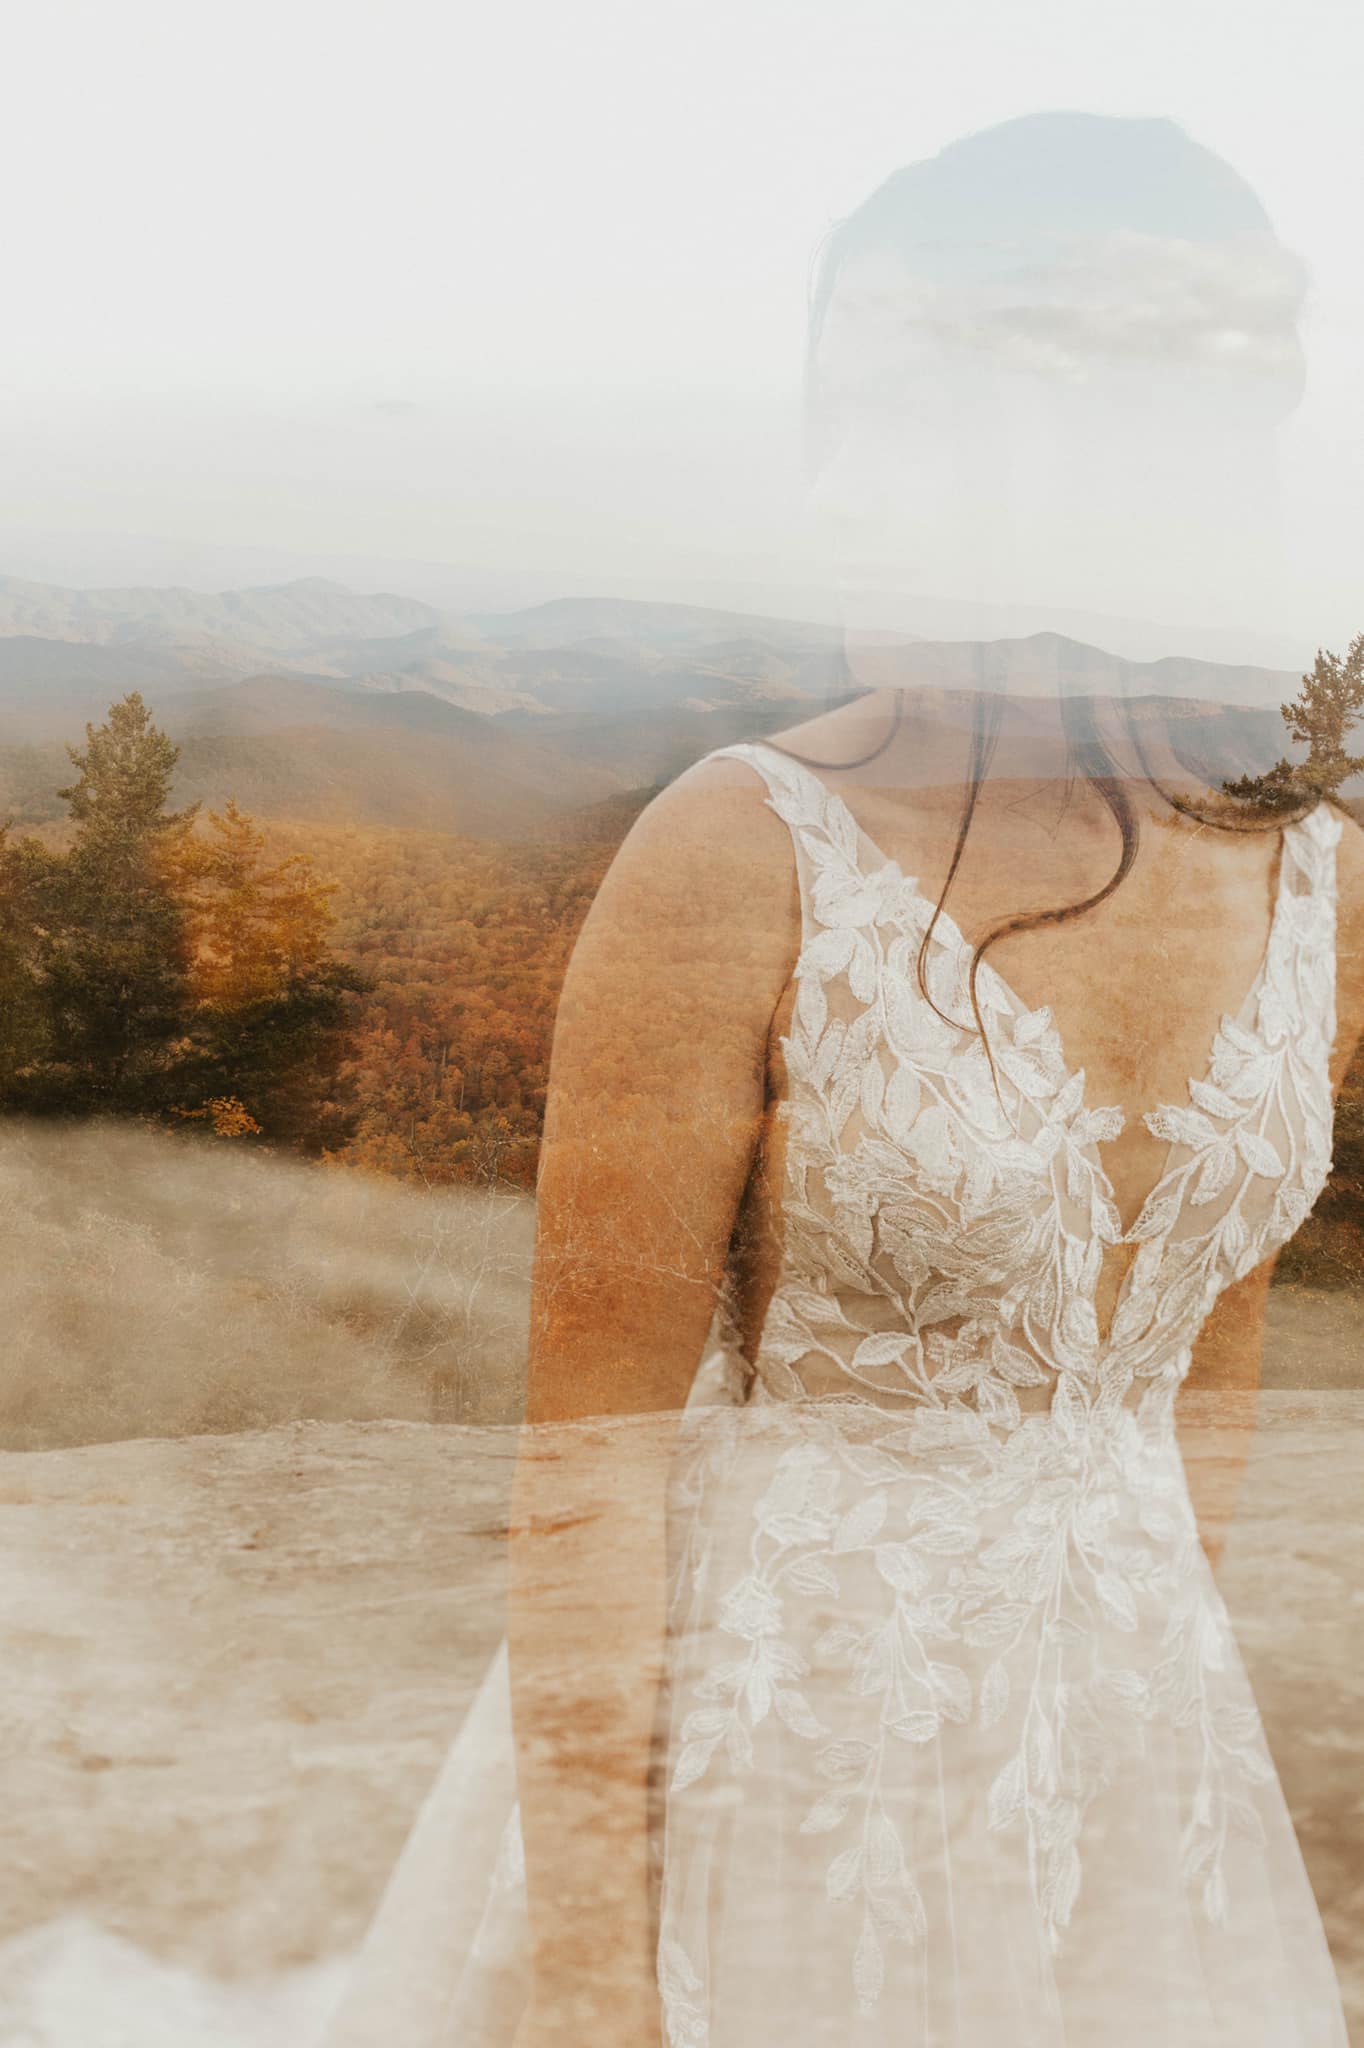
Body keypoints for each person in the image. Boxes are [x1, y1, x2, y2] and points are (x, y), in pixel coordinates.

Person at [321, 113, 1364, 2048]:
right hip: (775, 1780)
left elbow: (1200, 1391)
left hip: (1135, 1773)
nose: (839, 482)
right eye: (837, 411)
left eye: (913, 408)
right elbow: (589, 1484)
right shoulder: (733, 853)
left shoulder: (1324, 875)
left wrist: (1146, 1762)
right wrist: (592, 1986)